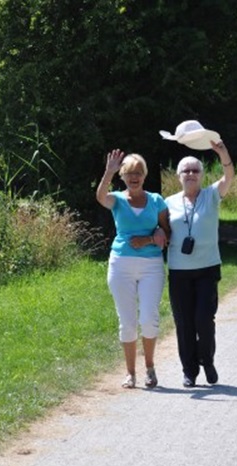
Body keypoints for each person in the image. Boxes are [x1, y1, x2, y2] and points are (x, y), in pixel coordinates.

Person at [96, 149, 171, 389]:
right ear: (123, 177)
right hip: (121, 264)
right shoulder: (117, 199)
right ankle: (130, 373)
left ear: (144, 175)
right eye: (129, 174)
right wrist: (108, 171)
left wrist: (150, 239)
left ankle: (149, 367)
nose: (134, 177)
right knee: (127, 322)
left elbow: (167, 233)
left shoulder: (157, 200)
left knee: (149, 319)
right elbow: (100, 197)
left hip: (151, 266)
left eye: (138, 173)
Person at [165, 140, 234, 387]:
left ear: (202, 175)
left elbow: (229, 176)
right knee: (184, 323)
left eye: (195, 170)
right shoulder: (168, 203)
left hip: (207, 269)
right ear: (178, 176)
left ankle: (208, 361)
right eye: (186, 171)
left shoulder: (211, 195)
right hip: (179, 271)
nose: (191, 174)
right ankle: (189, 371)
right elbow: (160, 229)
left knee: (204, 320)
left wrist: (222, 152)